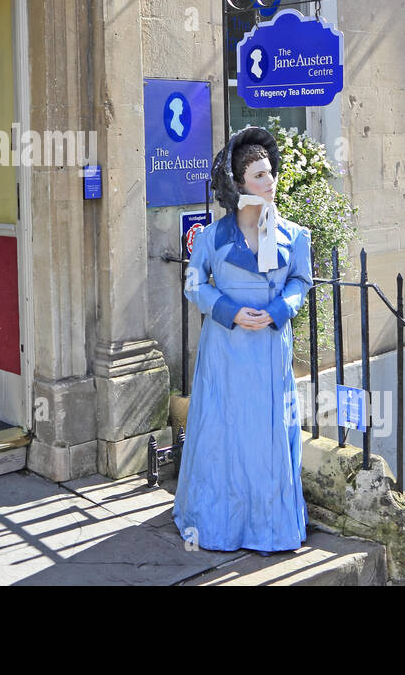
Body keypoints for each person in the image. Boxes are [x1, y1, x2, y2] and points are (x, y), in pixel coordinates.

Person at [173, 125, 314, 554]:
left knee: (268, 436)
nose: (270, 182)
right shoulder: (212, 237)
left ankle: (270, 528)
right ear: (238, 183)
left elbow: (301, 281)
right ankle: (220, 526)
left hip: (269, 348)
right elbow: (194, 284)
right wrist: (229, 310)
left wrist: (278, 310)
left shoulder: (294, 235)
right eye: (258, 175)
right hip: (226, 351)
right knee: (223, 435)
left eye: (270, 172)